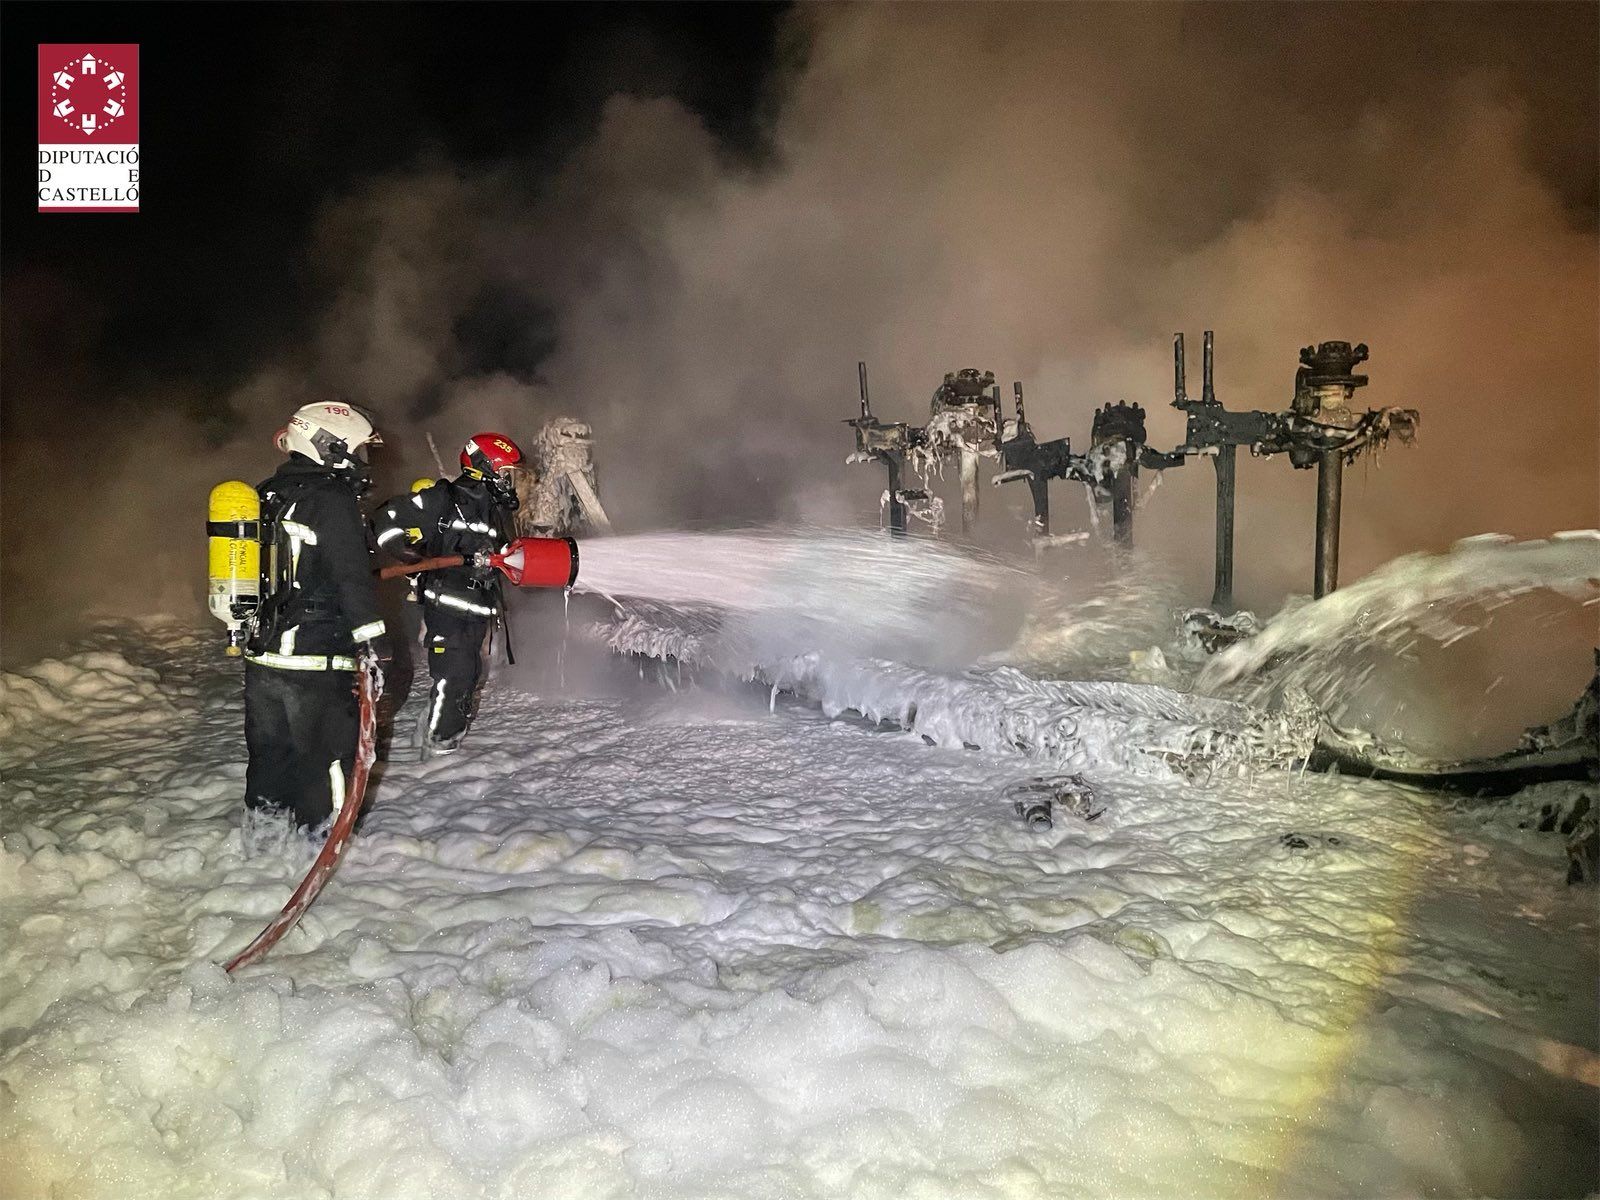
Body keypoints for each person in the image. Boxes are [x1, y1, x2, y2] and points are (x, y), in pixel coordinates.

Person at [244, 401, 391, 829]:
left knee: (270, 759)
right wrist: (373, 644)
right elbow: (349, 577)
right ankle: (318, 847)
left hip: (263, 658)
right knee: (325, 760)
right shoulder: (332, 499)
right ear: (331, 445)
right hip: (315, 658)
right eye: (357, 449)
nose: (361, 460)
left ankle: (261, 843)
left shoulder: (268, 492)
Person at [372, 432, 524, 756]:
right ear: (485, 466)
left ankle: (435, 734)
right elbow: (386, 517)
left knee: (468, 675)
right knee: (454, 676)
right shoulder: (444, 498)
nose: (510, 481)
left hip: (478, 608)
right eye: (506, 472)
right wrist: (403, 551)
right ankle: (440, 745)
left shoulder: (494, 510)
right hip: (448, 606)